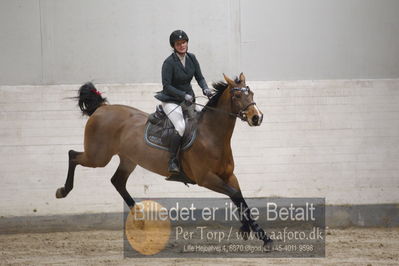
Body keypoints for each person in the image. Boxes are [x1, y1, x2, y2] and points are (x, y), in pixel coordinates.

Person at [155, 30, 213, 175]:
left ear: (187, 43)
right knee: (181, 127)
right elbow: (166, 86)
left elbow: (199, 77)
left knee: (200, 123)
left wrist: (205, 88)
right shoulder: (168, 63)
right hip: (171, 100)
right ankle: (173, 160)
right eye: (178, 43)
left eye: (184, 42)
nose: (182, 45)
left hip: (187, 99)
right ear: (174, 46)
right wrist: (183, 95)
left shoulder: (192, 58)